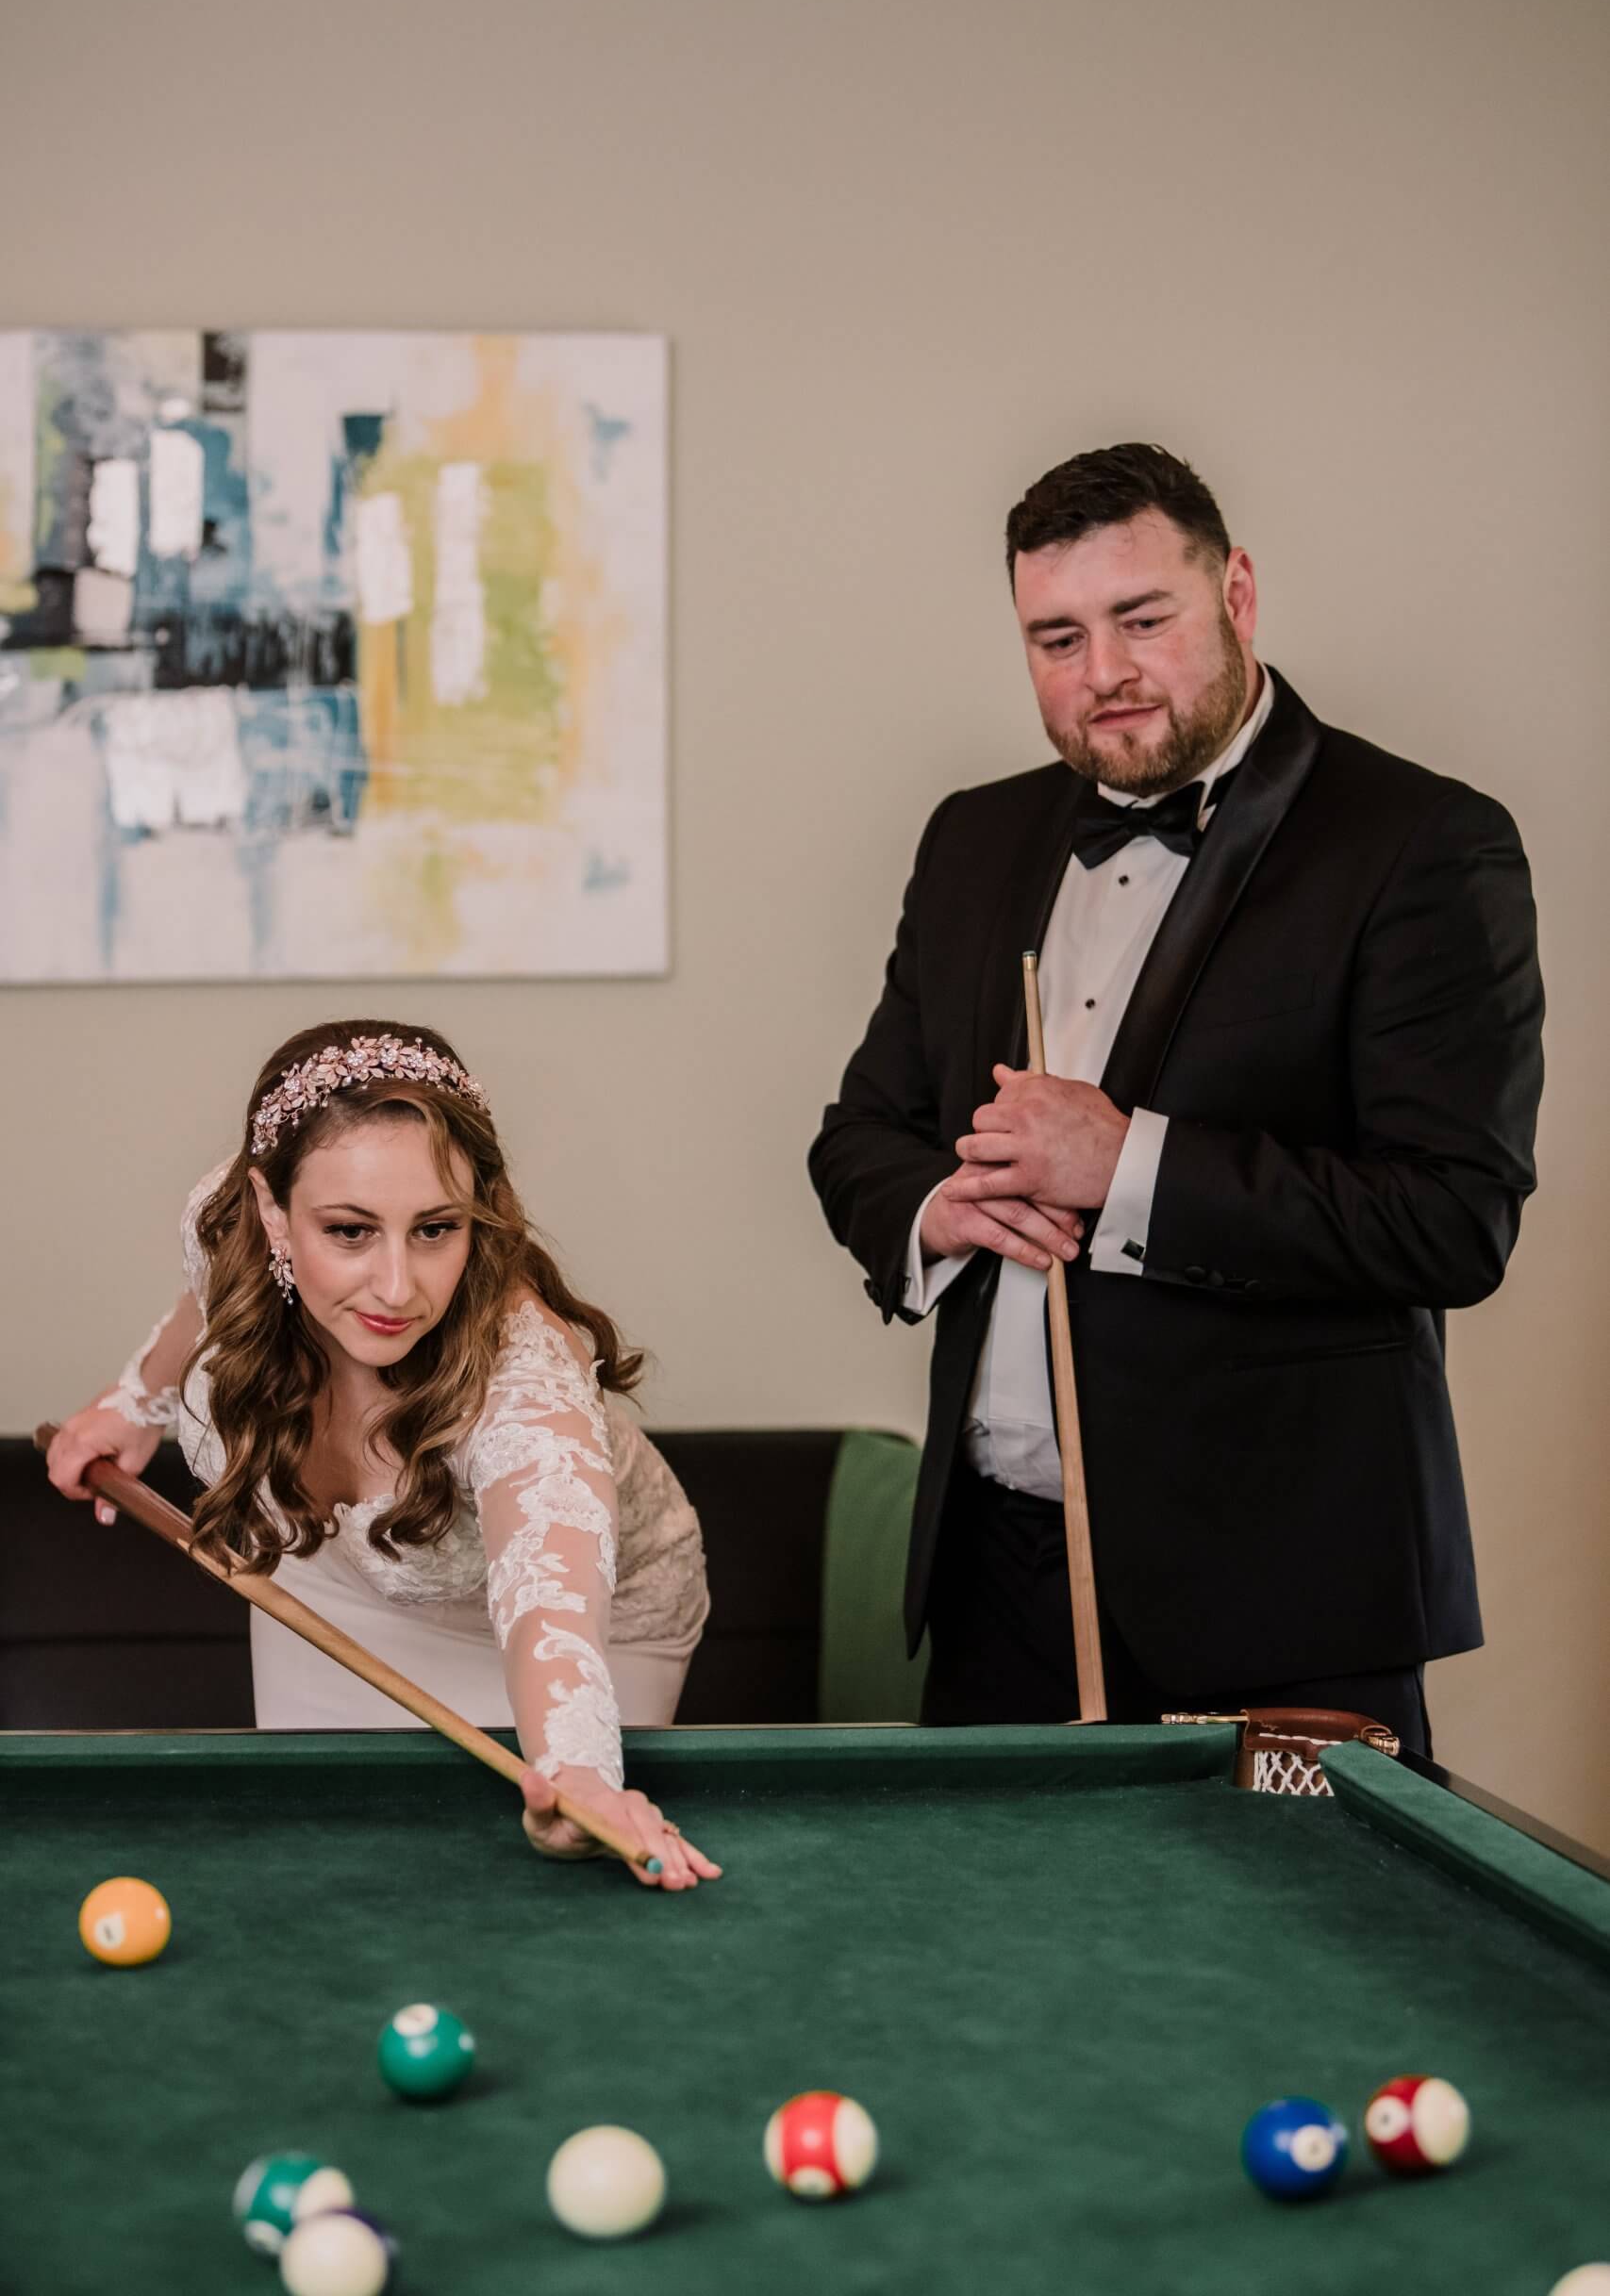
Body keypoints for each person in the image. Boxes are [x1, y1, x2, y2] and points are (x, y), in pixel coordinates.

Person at [808, 442, 1544, 1755]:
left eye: (1141, 619)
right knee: (1001, 1964)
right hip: (995, 1585)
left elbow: (1451, 1218)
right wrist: (941, 1207)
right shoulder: (970, 838)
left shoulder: (1420, 842)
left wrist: (1127, 1164)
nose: (1103, 673)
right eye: (1056, 637)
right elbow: (859, 1135)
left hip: (1284, 1595)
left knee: (1298, 1968)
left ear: (1235, 594)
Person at [46, 1019, 716, 1891]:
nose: (399, 1288)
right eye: (351, 1232)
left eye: (436, 1229)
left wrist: (578, 1770)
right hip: (329, 1582)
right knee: (320, 1864)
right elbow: (213, 1296)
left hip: (589, 1621)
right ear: (270, 1212)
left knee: (512, 1896)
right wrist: (134, 1403)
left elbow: (548, 1600)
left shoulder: (524, 1378)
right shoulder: (232, 1224)